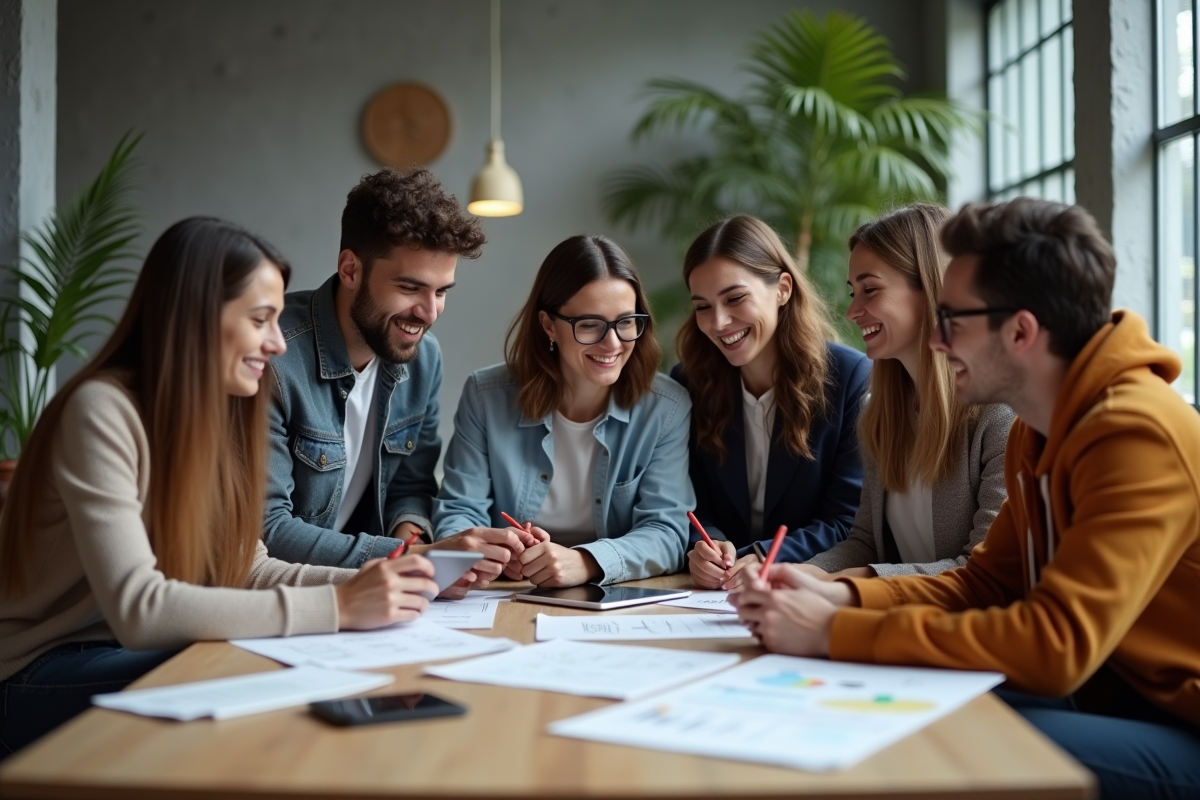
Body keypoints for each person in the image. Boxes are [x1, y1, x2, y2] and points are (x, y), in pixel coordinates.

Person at [732, 198, 1200, 799]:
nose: (936, 338)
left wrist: (836, 631)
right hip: (1113, 693)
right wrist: (843, 592)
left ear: (1021, 331)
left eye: (951, 320)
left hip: (1176, 719)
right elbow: (986, 584)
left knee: (931, 735)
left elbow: (1054, 646)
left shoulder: (1135, 431)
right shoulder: (1042, 427)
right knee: (885, 707)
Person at [0, 218, 440, 759]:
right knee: (266, 672)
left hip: (121, 651)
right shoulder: (101, 411)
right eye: (261, 320)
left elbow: (246, 567)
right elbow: (141, 610)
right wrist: (339, 605)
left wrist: (376, 582)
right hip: (40, 667)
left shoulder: (212, 413)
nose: (279, 343)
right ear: (197, 318)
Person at [263, 169, 529, 587]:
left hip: (366, 597)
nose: (429, 313)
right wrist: (414, 556)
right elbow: (268, 532)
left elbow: (410, 484)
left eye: (442, 292)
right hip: (284, 599)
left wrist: (423, 556)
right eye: (410, 288)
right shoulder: (270, 356)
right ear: (350, 270)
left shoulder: (424, 360)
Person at [431, 235, 694, 586]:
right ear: (548, 325)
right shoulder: (485, 396)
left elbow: (667, 531)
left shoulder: (667, 407)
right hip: (505, 591)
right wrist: (485, 554)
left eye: (626, 322)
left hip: (615, 597)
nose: (613, 343)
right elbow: (459, 510)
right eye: (589, 325)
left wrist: (586, 561)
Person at [801, 204, 1012, 579]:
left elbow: (983, 571)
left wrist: (849, 584)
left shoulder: (1003, 412)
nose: (852, 311)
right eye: (854, 292)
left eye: (870, 290)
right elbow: (865, 542)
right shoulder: (879, 412)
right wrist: (802, 575)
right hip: (901, 625)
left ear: (934, 289)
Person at [672, 215, 870, 590]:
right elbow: (690, 504)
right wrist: (706, 546)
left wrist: (763, 557)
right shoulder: (688, 382)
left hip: (802, 588)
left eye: (735, 298)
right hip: (712, 595)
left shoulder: (849, 378)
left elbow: (848, 522)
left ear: (782, 289)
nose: (718, 321)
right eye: (702, 306)